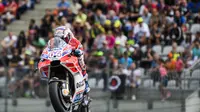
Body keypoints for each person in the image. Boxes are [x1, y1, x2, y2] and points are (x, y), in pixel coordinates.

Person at [53, 26, 90, 93]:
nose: (61, 40)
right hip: (61, 59)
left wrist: (77, 52)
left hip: (71, 58)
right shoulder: (54, 43)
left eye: (62, 38)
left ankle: (85, 82)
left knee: (81, 63)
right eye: (58, 38)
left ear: (68, 36)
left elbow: (80, 50)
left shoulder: (75, 41)